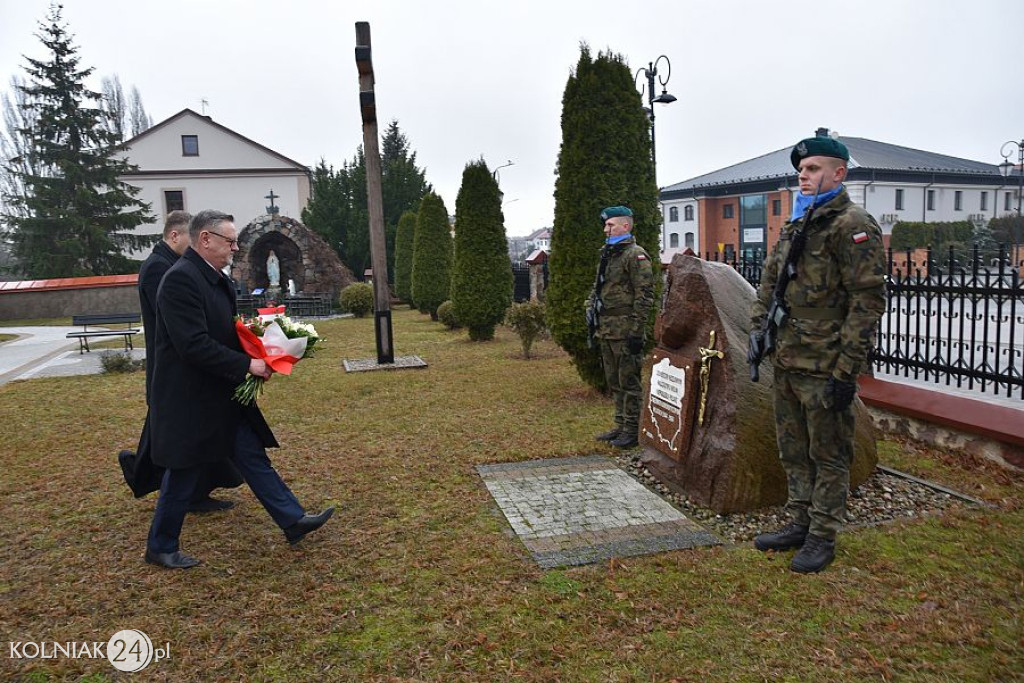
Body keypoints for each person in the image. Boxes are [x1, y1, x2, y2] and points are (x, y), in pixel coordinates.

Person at [144, 209, 334, 569]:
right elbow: (192, 344)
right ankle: (160, 546)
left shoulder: (216, 278)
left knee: (250, 454)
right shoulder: (179, 280)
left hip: (220, 392)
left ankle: (292, 520)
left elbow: (226, 330)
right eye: (229, 242)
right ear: (205, 239)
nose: (234, 248)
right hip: (190, 397)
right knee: (183, 472)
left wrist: (264, 345)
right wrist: (248, 364)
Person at [749, 134, 886, 573]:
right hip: (788, 356)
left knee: (828, 452)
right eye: (801, 170)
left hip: (825, 362)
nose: (802, 176)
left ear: (838, 173)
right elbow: (770, 284)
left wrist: (847, 371)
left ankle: (823, 535)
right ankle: (800, 521)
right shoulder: (798, 223)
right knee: (793, 448)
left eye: (812, 170)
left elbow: (867, 302)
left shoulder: (852, 225)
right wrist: (758, 331)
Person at [118, 211, 242, 512]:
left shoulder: (174, 265)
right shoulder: (162, 270)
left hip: (188, 370)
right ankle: (141, 473)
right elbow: (184, 328)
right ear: (175, 236)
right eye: (191, 239)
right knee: (172, 444)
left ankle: (190, 492)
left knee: (173, 439)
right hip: (174, 370)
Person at [587, 205, 655, 449]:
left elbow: (645, 294)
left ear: (625, 226)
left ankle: (633, 429)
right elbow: (599, 287)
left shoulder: (635, 255)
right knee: (614, 380)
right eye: (605, 225)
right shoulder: (609, 253)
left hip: (625, 329)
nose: (605, 229)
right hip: (606, 328)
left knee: (629, 381)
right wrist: (590, 306)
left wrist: (637, 331)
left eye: (610, 225)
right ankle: (620, 424)